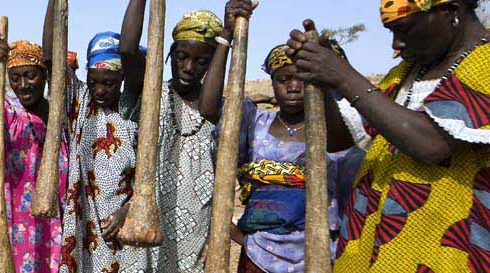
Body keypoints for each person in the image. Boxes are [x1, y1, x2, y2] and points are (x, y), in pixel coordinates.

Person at [286, 0, 490, 271]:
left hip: (445, 250)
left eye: (403, 29)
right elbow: (340, 139)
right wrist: (322, 82)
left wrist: (343, 77)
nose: (397, 45)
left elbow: (431, 145)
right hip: (378, 246)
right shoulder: (406, 75)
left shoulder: (484, 64)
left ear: (450, 12)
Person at [202, 40, 359, 272]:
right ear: (272, 82)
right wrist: (226, 38)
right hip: (259, 254)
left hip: (318, 255)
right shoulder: (254, 123)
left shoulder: (335, 131)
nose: (293, 87)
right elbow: (209, 108)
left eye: (303, 80)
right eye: (283, 80)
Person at [118, 2, 240, 271]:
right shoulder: (150, 94)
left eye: (201, 62)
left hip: (195, 235)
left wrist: (228, 34)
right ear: (170, 54)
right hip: (144, 227)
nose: (188, 67)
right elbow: (127, 49)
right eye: (181, 57)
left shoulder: (220, 111)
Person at [39, 0, 147, 271]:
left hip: (121, 231)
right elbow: (51, 57)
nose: (100, 90)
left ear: (121, 79)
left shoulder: (133, 111)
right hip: (83, 227)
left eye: (108, 83)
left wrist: (127, 212)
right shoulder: (80, 105)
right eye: (93, 82)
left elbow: (148, 178)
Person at [0, 38, 70, 273]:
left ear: (44, 75)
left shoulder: (62, 114)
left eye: (30, 76)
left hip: (59, 220)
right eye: (15, 78)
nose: (23, 85)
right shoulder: (8, 112)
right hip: (20, 222)